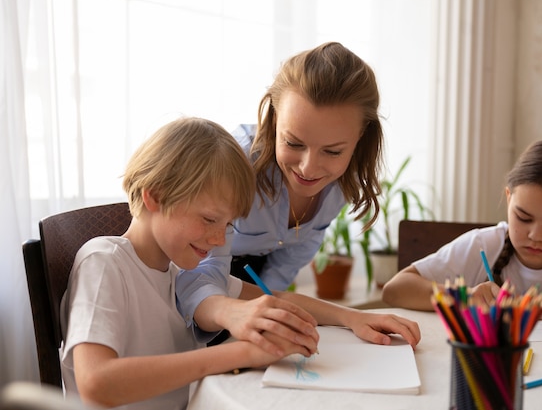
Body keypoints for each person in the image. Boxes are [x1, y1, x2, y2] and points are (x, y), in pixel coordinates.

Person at [60, 117, 420, 410]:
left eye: (228, 225)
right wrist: (237, 354)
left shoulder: (176, 270)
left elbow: (273, 297)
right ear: (154, 196)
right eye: (209, 219)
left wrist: (352, 317)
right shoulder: (105, 261)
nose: (219, 240)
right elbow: (96, 384)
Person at [176, 42, 401, 348]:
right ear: (273, 118)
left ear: (360, 137)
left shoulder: (340, 181)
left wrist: (270, 316)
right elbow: (200, 276)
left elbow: (281, 271)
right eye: (294, 143)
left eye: (333, 151)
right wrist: (243, 322)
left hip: (246, 291)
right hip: (195, 292)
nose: (309, 168)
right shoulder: (235, 165)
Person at [382, 138, 542, 326]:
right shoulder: (482, 246)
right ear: (509, 198)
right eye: (523, 217)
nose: (535, 235)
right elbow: (395, 290)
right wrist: (464, 297)